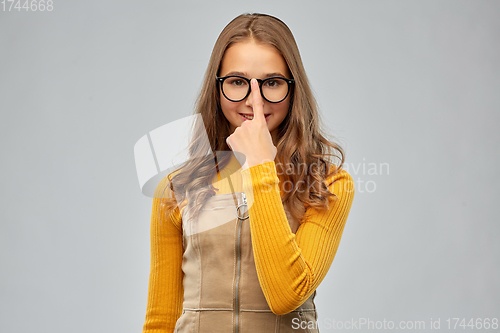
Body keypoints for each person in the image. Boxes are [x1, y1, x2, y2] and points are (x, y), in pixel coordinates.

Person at [142, 13, 355, 333]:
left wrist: (259, 165)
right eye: (238, 82)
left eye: (271, 83)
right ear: (217, 88)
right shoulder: (176, 189)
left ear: (293, 89)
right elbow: (160, 319)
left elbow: (286, 296)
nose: (255, 101)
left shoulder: (328, 185)